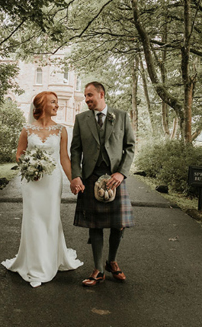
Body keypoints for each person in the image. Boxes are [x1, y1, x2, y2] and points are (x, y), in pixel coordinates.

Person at [1, 91, 83, 287]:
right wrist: (29, 164)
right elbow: (19, 154)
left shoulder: (61, 130)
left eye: (56, 102)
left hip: (51, 182)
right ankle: (36, 266)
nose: (57, 106)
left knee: (50, 219)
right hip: (32, 183)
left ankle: (50, 259)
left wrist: (74, 180)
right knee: (33, 220)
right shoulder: (27, 129)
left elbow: (64, 159)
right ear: (42, 105)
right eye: (53, 102)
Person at [70, 81, 135, 287]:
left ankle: (112, 261)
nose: (86, 99)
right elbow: (76, 150)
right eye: (85, 96)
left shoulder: (121, 116)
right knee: (94, 225)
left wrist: (122, 174)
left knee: (119, 224)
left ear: (101, 94)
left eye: (90, 95)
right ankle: (98, 269)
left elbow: (130, 147)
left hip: (115, 177)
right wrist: (76, 175)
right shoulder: (81, 119)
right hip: (90, 176)